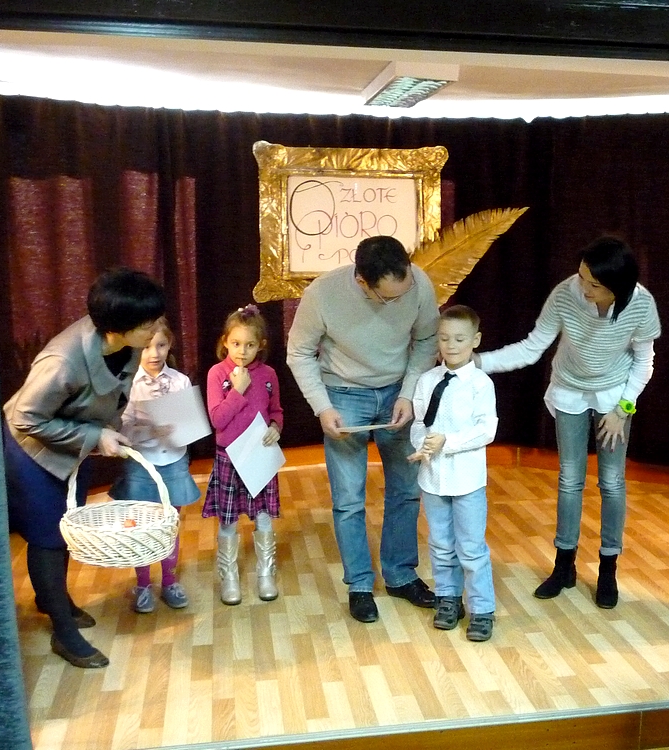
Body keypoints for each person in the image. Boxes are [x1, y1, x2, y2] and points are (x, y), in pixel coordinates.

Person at [479, 236, 661, 608]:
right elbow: (532, 347)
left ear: (617, 287)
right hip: (570, 389)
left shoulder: (641, 304)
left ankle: (608, 568)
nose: (583, 288)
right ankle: (564, 566)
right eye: (581, 277)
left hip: (615, 395)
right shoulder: (566, 293)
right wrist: (479, 362)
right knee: (569, 478)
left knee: (612, 482)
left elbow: (644, 362)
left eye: (594, 284)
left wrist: (623, 408)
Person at [3, 267, 165, 668]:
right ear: (117, 328)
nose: (155, 330)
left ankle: (51, 599)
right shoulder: (63, 360)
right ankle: (63, 630)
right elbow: (25, 417)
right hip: (32, 451)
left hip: (75, 445)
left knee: (68, 527)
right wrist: (95, 436)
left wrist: (108, 431)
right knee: (49, 536)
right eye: (147, 324)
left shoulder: (126, 345)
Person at [287, 235, 440, 623]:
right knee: (349, 499)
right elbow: (299, 352)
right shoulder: (323, 293)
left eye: (403, 291)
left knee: (406, 491)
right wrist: (323, 408)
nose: (397, 302)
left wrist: (409, 393)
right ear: (361, 281)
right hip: (343, 394)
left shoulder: (419, 284)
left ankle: (401, 576)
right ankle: (359, 584)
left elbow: (426, 340)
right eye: (386, 298)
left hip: (397, 392)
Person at [409, 305, 499, 641]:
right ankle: (448, 598)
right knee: (440, 543)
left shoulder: (480, 384)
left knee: (471, 547)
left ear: (475, 340)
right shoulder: (427, 380)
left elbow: (486, 429)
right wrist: (422, 445)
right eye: (445, 338)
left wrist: (448, 441)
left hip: (467, 481)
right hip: (433, 479)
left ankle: (482, 608)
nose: (451, 345)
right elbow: (420, 423)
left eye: (460, 339)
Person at [109, 316, 201, 614]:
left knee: (169, 525)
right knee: (141, 526)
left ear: (169, 344)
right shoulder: (129, 384)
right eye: (147, 346)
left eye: (160, 345)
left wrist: (181, 429)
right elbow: (120, 430)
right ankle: (143, 584)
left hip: (173, 462)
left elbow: (190, 426)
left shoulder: (180, 381)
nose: (154, 353)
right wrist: (150, 429)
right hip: (141, 466)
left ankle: (170, 582)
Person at [204, 304, 284, 605]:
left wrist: (276, 427)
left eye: (250, 345)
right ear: (225, 341)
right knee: (228, 519)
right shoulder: (217, 374)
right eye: (236, 343)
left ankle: (265, 574)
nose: (242, 351)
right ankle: (229, 576)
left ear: (260, 345)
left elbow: (276, 411)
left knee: (263, 516)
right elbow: (218, 420)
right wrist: (237, 390)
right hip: (230, 457)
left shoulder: (269, 374)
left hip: (259, 455)